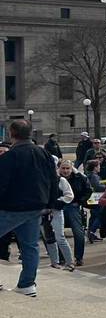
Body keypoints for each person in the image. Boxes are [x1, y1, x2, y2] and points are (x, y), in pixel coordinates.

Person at [0, 120, 60, 296]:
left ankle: (26, 284)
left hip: (13, 207)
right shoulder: (44, 154)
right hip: (36, 206)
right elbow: (53, 180)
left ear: (12, 133)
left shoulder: (10, 156)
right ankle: (27, 285)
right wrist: (50, 204)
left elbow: (2, 184)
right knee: (30, 246)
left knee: (29, 246)